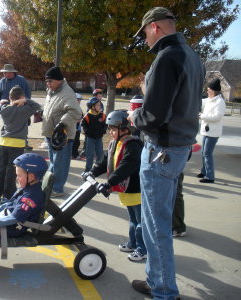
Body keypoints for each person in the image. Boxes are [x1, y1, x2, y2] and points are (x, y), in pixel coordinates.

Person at [128, 7, 204, 299]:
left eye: (145, 33)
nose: (144, 39)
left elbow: (154, 115)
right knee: (158, 222)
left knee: (155, 227)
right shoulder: (190, 55)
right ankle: (158, 281)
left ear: (155, 28)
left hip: (162, 150)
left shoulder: (167, 57)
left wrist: (135, 118)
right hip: (178, 148)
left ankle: (162, 290)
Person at [84, 110, 146, 261]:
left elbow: (126, 167)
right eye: (109, 129)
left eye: (113, 129)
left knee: (140, 223)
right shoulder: (115, 143)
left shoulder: (133, 145)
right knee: (132, 219)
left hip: (136, 190)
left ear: (124, 128)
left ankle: (142, 249)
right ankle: (132, 243)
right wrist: (92, 171)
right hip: (126, 190)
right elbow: (105, 160)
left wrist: (109, 183)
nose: (110, 132)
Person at [0, 86, 41, 202]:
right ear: (21, 98)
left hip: (4, 142)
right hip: (17, 144)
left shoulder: (4, 109)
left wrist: (6, 102)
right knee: (11, 171)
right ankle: (8, 195)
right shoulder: (24, 110)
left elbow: (1, 105)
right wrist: (25, 101)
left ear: (10, 98)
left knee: (1, 168)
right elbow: (37, 106)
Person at [41, 66, 82, 198]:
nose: (48, 84)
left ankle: (57, 189)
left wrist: (62, 123)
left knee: (60, 164)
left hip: (62, 135)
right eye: (46, 81)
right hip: (51, 133)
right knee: (54, 162)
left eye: (50, 81)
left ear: (59, 80)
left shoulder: (67, 92)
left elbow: (76, 112)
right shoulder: (51, 91)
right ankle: (50, 186)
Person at [0, 64, 32, 150]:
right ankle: (4, 143)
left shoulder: (21, 80)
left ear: (12, 72)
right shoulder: (2, 81)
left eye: (6, 72)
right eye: (4, 73)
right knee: (6, 125)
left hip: (20, 106)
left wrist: (26, 104)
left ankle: (24, 142)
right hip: (6, 106)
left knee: (22, 125)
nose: (4, 74)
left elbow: (28, 93)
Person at [197, 78, 225, 184]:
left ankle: (210, 176)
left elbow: (217, 117)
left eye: (209, 89)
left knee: (207, 153)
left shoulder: (220, 101)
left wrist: (202, 116)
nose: (207, 91)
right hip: (206, 130)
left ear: (214, 90)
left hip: (213, 132)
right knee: (204, 152)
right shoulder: (209, 100)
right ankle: (204, 171)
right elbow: (200, 101)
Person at [81, 97, 107, 171]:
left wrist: (103, 131)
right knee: (90, 154)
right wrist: (87, 132)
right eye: (98, 105)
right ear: (92, 107)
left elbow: (105, 125)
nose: (100, 106)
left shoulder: (102, 115)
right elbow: (83, 125)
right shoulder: (87, 116)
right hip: (90, 138)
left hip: (99, 138)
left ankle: (98, 168)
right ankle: (88, 168)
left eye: (100, 105)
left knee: (100, 153)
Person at [72, 93, 83, 159]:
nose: (79, 101)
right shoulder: (72, 108)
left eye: (79, 100)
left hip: (77, 128)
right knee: (72, 142)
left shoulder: (79, 108)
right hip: (72, 128)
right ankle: (73, 154)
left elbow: (81, 116)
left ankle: (75, 154)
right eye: (77, 100)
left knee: (77, 142)